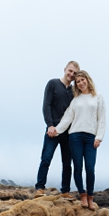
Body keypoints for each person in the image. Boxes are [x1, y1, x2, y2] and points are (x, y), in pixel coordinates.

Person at [49, 70, 105, 209]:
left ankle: (90, 196)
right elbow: (68, 118)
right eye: (78, 81)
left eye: (82, 80)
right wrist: (56, 130)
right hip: (75, 136)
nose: (80, 83)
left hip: (91, 137)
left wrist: (99, 137)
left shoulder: (98, 97)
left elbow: (102, 119)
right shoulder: (75, 100)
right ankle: (83, 195)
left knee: (90, 169)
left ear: (87, 79)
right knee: (78, 167)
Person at [35, 61, 79, 198]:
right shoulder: (53, 84)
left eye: (74, 73)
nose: (71, 74)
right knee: (46, 159)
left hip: (68, 132)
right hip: (52, 131)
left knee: (67, 163)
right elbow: (46, 106)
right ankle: (40, 188)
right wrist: (50, 125)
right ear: (65, 69)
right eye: (70, 71)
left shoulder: (74, 92)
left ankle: (65, 191)